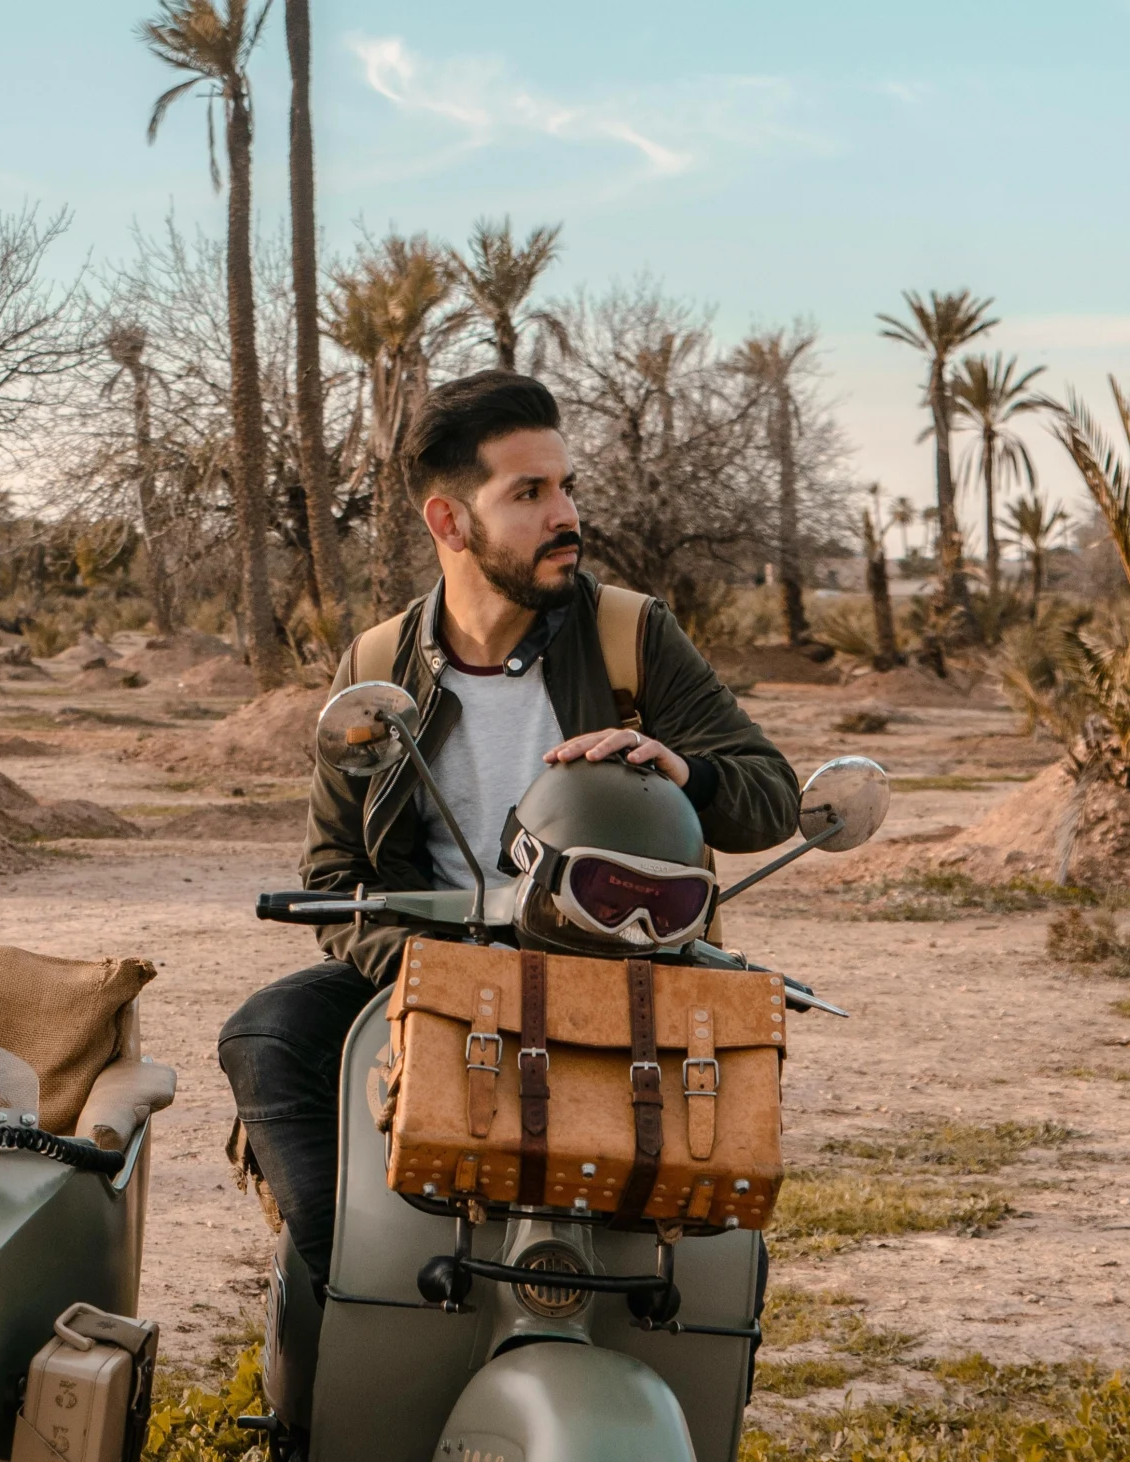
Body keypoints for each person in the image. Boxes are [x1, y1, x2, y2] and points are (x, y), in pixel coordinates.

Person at [218, 370, 801, 1286]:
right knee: (270, 1033)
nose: (564, 514)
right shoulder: (377, 666)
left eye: (565, 486)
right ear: (448, 522)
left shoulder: (629, 634)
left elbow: (773, 795)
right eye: (528, 493)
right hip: (436, 964)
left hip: (623, 967)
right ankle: (349, 1287)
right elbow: (335, 879)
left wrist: (682, 768)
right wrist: (432, 970)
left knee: (711, 1255)